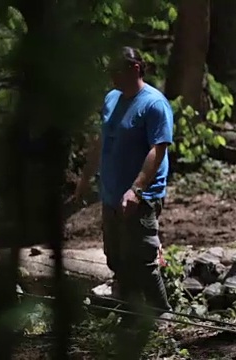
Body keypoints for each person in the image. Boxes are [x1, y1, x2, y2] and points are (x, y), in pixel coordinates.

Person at [74, 46, 174, 321]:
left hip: (140, 196)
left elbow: (159, 149)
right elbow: (101, 140)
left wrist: (137, 189)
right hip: (111, 194)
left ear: (135, 69)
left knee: (142, 258)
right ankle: (131, 316)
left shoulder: (154, 104)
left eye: (117, 71)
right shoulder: (112, 99)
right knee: (116, 257)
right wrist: (85, 178)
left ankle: (162, 314)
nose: (112, 78)